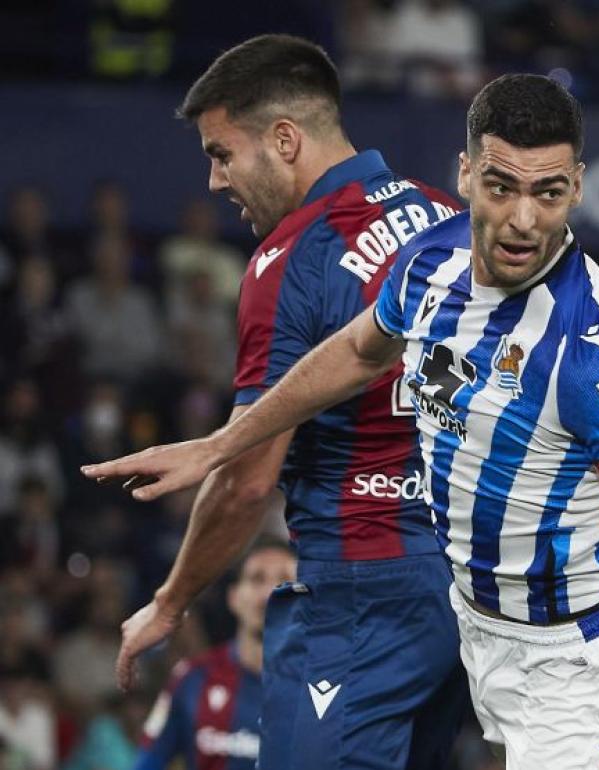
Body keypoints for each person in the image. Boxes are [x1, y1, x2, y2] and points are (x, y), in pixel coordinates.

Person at [84, 73, 599, 770]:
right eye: (502, 187)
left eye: (550, 193)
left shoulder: (594, 356)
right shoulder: (433, 259)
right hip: (479, 636)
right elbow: (358, 351)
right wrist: (221, 444)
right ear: (466, 174)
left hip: (574, 663)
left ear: (579, 185)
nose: (524, 220)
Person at [107, 34, 467, 770]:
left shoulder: (290, 260)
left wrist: (171, 601)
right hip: (464, 591)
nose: (214, 181)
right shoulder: (448, 218)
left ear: (284, 139)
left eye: (221, 153)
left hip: (361, 592)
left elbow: (245, 480)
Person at [135, 539, 295, 769]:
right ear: (234, 597)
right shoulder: (191, 679)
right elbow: (147, 763)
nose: (269, 593)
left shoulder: (330, 690)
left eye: (285, 580)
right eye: (257, 578)